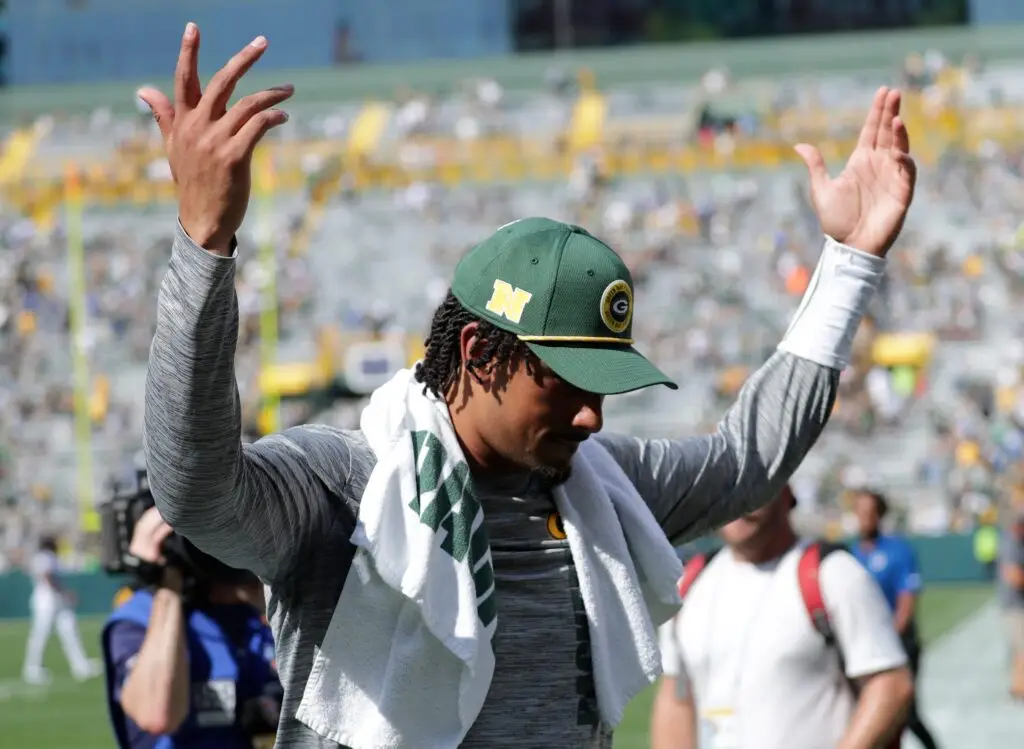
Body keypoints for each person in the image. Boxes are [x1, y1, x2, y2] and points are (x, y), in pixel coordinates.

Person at [137, 23, 915, 749]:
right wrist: (204, 246)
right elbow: (197, 491)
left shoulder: (599, 488)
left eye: (606, 386)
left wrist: (848, 264)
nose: (591, 415)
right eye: (567, 383)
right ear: (478, 351)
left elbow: (748, 463)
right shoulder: (346, 488)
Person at [652, 486, 913, 749]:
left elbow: (891, 685)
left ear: (786, 492)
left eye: (752, 484)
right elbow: (677, 696)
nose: (737, 501)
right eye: (723, 484)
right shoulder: (690, 583)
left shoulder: (833, 573)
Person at [102, 506, 282, 749]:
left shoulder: (259, 613)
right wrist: (168, 584)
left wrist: (270, 589)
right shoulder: (141, 615)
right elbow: (156, 716)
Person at [851, 488, 941, 749]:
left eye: (870, 512)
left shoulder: (899, 551)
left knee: (907, 714)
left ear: (880, 515)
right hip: (863, 647)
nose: (865, 517)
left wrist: (890, 637)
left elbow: (907, 600)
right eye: (860, 511)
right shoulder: (851, 553)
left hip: (898, 644)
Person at [21, 534, 102, 684]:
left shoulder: (45, 557)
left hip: (55, 600)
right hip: (47, 600)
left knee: (69, 631)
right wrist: (64, 592)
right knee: (41, 634)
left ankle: (80, 665)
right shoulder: (45, 557)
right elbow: (48, 576)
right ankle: (32, 668)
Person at [999, 507, 1024, 701]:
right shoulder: (1011, 542)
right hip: (1015, 604)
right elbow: (1013, 576)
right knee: (1021, 646)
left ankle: (1018, 685)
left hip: (1016, 603)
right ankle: (1019, 687)